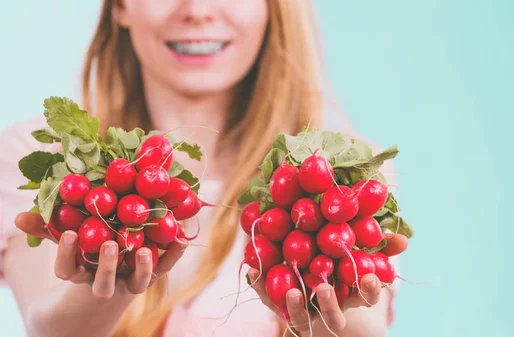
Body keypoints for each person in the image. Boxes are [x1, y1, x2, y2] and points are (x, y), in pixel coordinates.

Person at [0, 1, 408, 336]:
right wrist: (100, 287)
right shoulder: (50, 160)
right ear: (120, 7)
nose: (196, 9)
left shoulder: (347, 172)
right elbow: (47, 326)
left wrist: (326, 313)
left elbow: (363, 326)